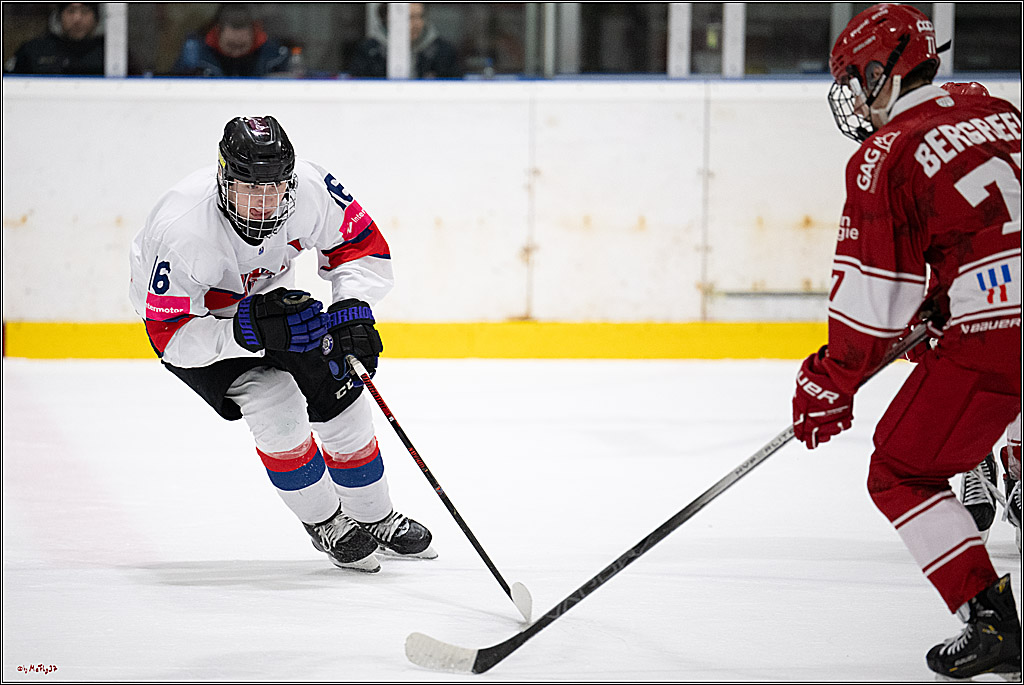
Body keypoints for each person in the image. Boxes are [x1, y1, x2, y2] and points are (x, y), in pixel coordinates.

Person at [791, 4, 1021, 679]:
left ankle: (991, 621)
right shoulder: (1002, 112)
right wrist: (952, 292)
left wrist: (830, 379)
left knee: (900, 470)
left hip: (1000, 333)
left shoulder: (885, 153)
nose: (855, 98)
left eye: (855, 81)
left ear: (878, 73)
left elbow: (873, 301)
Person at [128, 115, 436, 573]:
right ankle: (326, 522)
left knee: (341, 387)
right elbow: (169, 337)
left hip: (271, 304)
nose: (264, 204)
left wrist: (352, 308)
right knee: (275, 402)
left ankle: (375, 515)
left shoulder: (310, 188)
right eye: (250, 189)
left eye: (274, 188)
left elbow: (359, 244)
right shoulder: (183, 229)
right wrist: (241, 332)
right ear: (223, 181)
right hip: (200, 325)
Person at [171, 4, 289, 78]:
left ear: (254, 37)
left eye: (242, 46)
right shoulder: (195, 56)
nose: (236, 53)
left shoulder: (275, 57)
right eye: (231, 45)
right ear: (217, 35)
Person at [348, 2, 461, 79]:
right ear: (388, 19)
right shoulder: (369, 51)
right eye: (409, 17)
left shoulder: (443, 51)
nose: (416, 24)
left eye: (420, 16)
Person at [4, 3, 104, 75]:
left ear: (97, 18)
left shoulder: (107, 51)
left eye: (85, 11)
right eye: (70, 11)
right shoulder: (33, 50)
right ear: (59, 16)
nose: (77, 19)